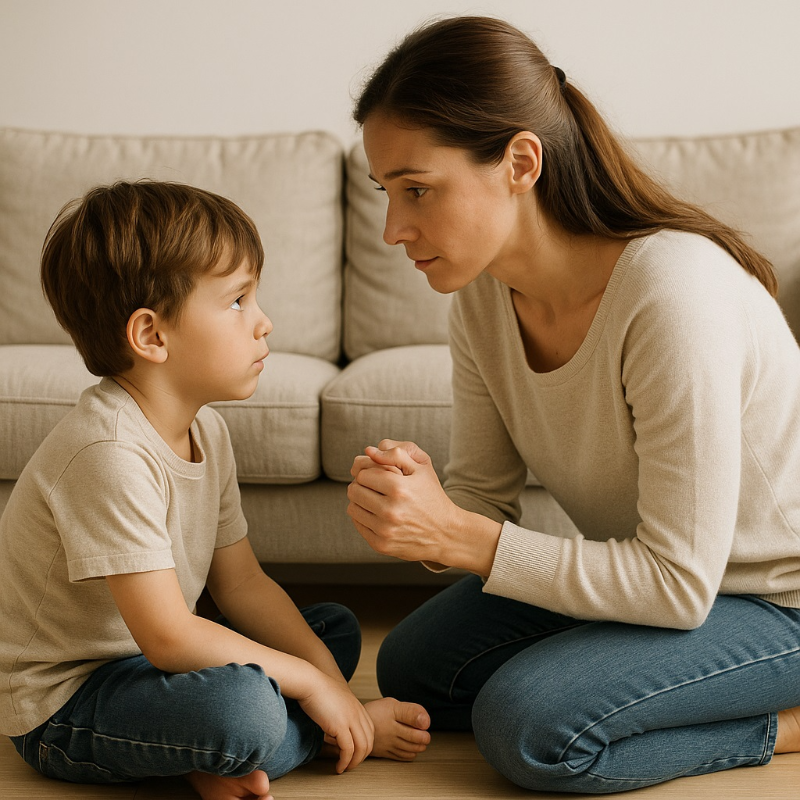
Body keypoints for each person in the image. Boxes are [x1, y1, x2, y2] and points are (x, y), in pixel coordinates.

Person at [346, 15, 800, 795]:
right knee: (415, 669)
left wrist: (459, 533)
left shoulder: (671, 293)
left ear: (521, 161)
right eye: (386, 193)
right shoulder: (484, 305)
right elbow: (483, 504)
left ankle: (780, 724)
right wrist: (418, 511)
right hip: (667, 587)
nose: (393, 228)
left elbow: (677, 583)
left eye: (418, 189)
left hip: (774, 597)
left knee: (531, 727)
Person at [0, 181, 430, 800]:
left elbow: (242, 585)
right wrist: (318, 691)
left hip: (148, 666)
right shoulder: (108, 453)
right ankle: (255, 742)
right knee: (248, 711)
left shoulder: (207, 428)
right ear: (151, 336)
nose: (264, 323)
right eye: (237, 301)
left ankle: (208, 752)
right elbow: (171, 636)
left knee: (328, 632)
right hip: (68, 702)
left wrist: (321, 678)